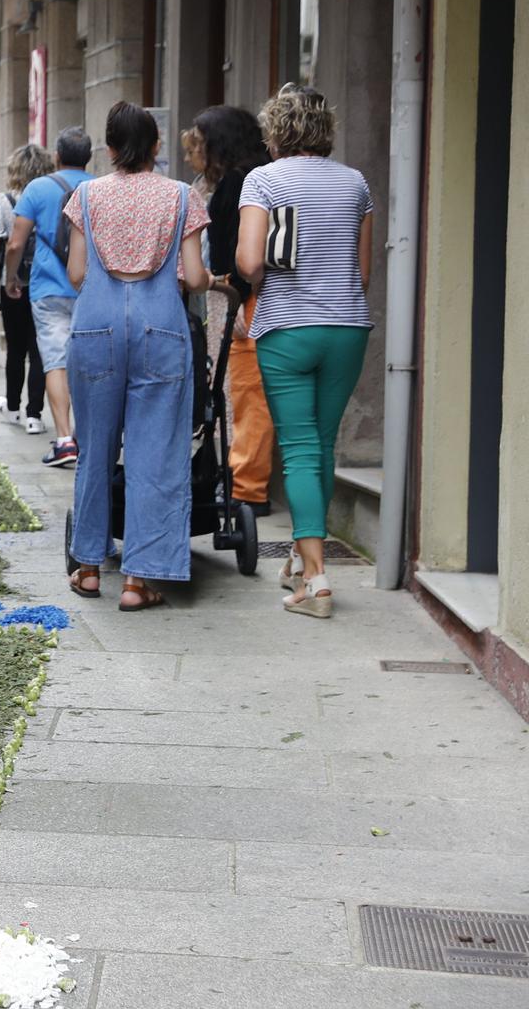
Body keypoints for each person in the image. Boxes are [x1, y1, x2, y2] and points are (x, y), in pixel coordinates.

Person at [65, 102, 211, 612]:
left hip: (97, 326)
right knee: (156, 455)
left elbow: (78, 273)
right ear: (155, 147)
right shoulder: (182, 196)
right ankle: (138, 579)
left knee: (95, 449)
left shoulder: (85, 195)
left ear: (107, 149)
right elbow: (194, 278)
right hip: (160, 328)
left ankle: (86, 566)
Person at [235, 85, 375, 619]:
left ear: (275, 132)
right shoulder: (355, 183)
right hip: (346, 327)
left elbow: (249, 263)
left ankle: (316, 582)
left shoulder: (263, 180)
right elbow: (362, 274)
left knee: (296, 448)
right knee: (318, 444)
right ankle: (300, 554)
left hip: (287, 327)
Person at [188, 105, 274, 517]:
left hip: (240, 299)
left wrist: (237, 294)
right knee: (241, 393)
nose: (196, 154)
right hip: (237, 295)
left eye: (201, 145)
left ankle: (247, 490)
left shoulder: (240, 183)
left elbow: (243, 249)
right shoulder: (249, 178)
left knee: (244, 393)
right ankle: (242, 482)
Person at [5, 125, 93, 468]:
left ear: (56, 156)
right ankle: (88, 436)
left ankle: (64, 439)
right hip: (90, 288)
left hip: (48, 288)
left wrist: (12, 277)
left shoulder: (37, 188)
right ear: (89, 156)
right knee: (87, 362)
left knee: (55, 360)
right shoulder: (98, 187)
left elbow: (15, 241)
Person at [0, 144, 52, 434]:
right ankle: (34, 415)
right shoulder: (53, 197)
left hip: (12, 281)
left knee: (15, 348)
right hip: (46, 280)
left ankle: (12, 407)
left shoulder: (4, 201)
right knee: (40, 349)